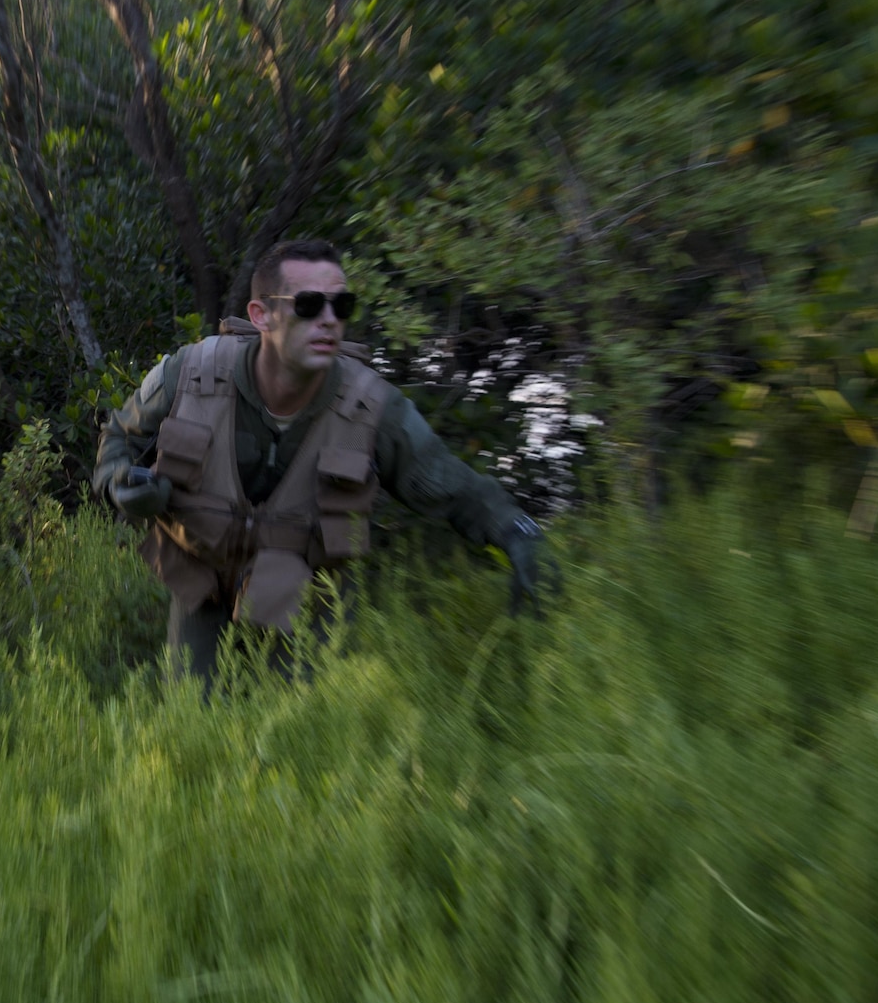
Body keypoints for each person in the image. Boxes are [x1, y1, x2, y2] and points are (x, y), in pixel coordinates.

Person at [93, 238, 546, 683]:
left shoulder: (370, 406)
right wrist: (121, 484)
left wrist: (516, 530)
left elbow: (447, 481)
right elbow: (119, 437)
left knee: (302, 744)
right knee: (190, 732)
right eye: (309, 305)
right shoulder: (190, 373)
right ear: (262, 315)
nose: (329, 320)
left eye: (341, 306)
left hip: (306, 606)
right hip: (201, 591)